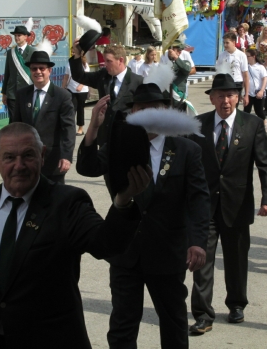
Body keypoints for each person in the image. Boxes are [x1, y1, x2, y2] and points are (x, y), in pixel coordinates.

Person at [0, 122, 151, 348]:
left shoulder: (67, 202)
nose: (19, 165)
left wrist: (123, 202)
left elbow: (105, 243)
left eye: (28, 155)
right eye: (9, 157)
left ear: (42, 155)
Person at [77, 84, 211, 348]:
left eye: (155, 109)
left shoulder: (187, 150)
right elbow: (87, 167)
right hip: (126, 251)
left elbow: (198, 200)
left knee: (173, 322)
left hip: (168, 252)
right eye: (141, 109)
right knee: (123, 325)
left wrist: (197, 242)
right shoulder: (118, 147)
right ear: (133, 114)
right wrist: (93, 127)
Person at [189, 73, 267, 334]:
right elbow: (188, 165)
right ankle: (203, 314)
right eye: (220, 96)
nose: (225, 101)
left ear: (238, 98)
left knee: (236, 259)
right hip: (204, 207)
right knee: (201, 261)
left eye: (230, 95)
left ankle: (236, 304)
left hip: (237, 205)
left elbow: (265, 164)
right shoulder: (198, 125)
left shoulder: (252, 124)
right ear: (212, 99)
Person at [13, 50, 75, 184]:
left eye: (42, 68)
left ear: (49, 70)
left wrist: (66, 156)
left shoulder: (62, 96)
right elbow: (15, 127)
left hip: (52, 161)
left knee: (54, 196)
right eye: (34, 68)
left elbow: (68, 129)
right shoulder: (22, 94)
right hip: (26, 161)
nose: (38, 72)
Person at [69, 43, 143, 145]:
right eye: (104, 60)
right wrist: (77, 55)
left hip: (127, 138)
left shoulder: (137, 81)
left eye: (109, 61)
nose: (105, 64)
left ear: (120, 60)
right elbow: (79, 76)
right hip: (105, 139)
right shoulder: (103, 76)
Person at [2, 25, 34, 122]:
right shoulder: (10, 52)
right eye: (15, 35)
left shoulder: (32, 52)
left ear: (26, 36)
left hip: (28, 91)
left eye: (19, 35)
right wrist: (4, 93)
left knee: (26, 118)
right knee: (14, 120)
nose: (16, 37)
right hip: (12, 92)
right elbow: (7, 73)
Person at [215, 32, 250, 106]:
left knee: (233, 106)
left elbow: (245, 75)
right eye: (224, 43)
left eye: (227, 43)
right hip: (224, 83)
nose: (225, 45)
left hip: (236, 83)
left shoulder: (241, 55)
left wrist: (246, 94)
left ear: (234, 42)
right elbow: (218, 72)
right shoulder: (221, 55)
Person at [63, 45, 89, 136]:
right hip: (71, 89)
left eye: (74, 51)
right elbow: (66, 77)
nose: (73, 53)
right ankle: (70, 128)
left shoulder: (84, 64)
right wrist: (63, 88)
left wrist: (81, 85)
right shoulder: (69, 63)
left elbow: (86, 76)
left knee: (80, 109)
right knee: (71, 109)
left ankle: (80, 128)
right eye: (72, 52)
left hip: (82, 91)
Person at [160, 40, 192, 109]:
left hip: (178, 99)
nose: (179, 52)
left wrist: (175, 57)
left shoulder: (184, 63)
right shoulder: (165, 63)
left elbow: (187, 70)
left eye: (179, 50)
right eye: (175, 50)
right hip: (166, 100)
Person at [244, 49, 267, 132]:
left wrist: (262, 90)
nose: (246, 58)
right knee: (246, 111)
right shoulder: (245, 67)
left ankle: (264, 122)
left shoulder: (260, 67)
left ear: (253, 57)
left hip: (258, 92)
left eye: (248, 56)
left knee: (259, 111)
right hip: (248, 93)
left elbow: (265, 79)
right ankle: (245, 127)